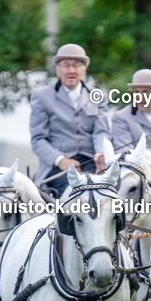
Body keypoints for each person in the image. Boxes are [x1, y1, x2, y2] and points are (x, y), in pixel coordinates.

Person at [29, 43, 110, 194]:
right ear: (57, 69)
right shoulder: (41, 96)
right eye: (66, 65)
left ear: (84, 69)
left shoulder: (98, 96)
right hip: (58, 168)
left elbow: (101, 131)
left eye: (76, 65)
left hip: (92, 163)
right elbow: (38, 139)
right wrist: (61, 161)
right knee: (76, 193)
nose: (71, 70)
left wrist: (100, 154)